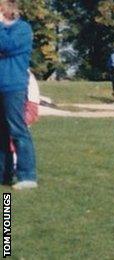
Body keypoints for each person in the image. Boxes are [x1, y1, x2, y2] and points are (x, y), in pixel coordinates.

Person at [0, 0, 37, 189]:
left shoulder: (22, 29)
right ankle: (4, 175)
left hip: (13, 87)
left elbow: (5, 45)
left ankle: (27, 175)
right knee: (2, 133)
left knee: (17, 131)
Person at [3, 69, 39, 184]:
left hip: (23, 109)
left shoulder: (21, 72)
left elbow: (32, 104)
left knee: (16, 135)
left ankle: (24, 174)